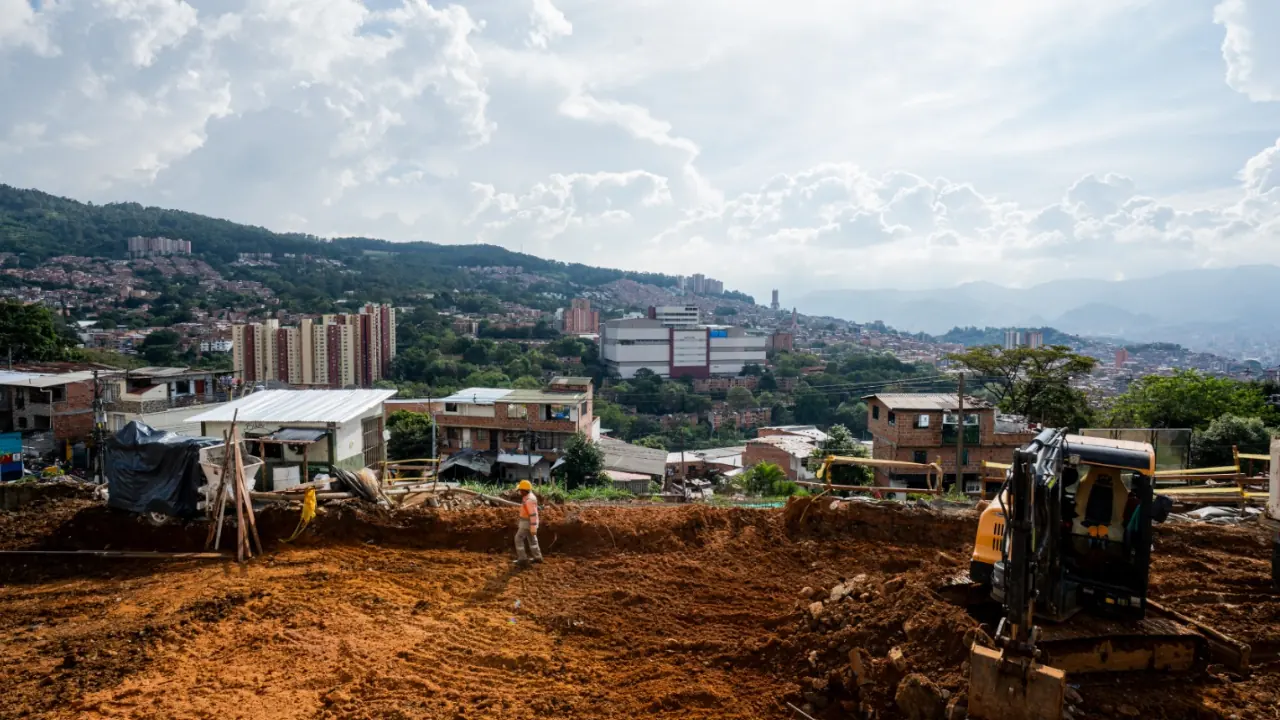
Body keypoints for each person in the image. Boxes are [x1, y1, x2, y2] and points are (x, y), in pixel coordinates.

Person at [514, 479, 543, 566]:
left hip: (527, 522)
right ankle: (537, 557)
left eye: (520, 490)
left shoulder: (529, 500)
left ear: (524, 490)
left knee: (518, 538)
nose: (519, 492)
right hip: (529, 522)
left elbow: (533, 514)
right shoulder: (529, 497)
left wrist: (533, 528)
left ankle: (522, 559)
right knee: (532, 540)